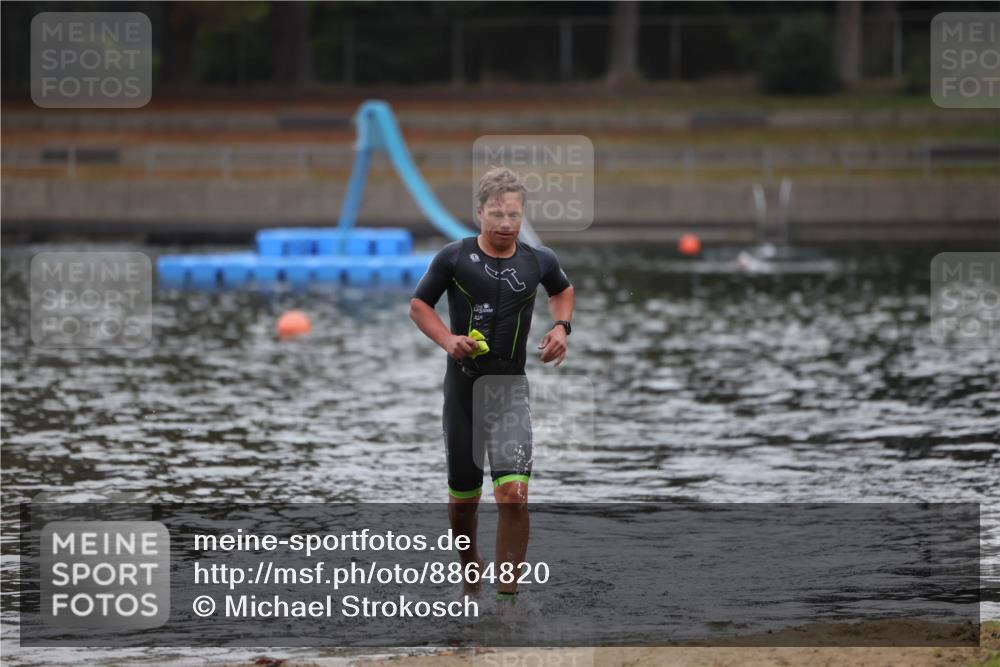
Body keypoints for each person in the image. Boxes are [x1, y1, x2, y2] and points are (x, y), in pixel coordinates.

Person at [409, 166, 575, 604]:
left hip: (509, 393)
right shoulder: (454, 257)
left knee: (514, 496)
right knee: (464, 502)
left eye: (514, 215)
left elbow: (563, 290)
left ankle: (506, 600)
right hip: (463, 393)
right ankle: (470, 575)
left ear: (523, 216)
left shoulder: (539, 260)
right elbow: (419, 305)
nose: (506, 224)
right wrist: (448, 340)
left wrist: (561, 328)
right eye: (497, 214)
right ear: (480, 212)